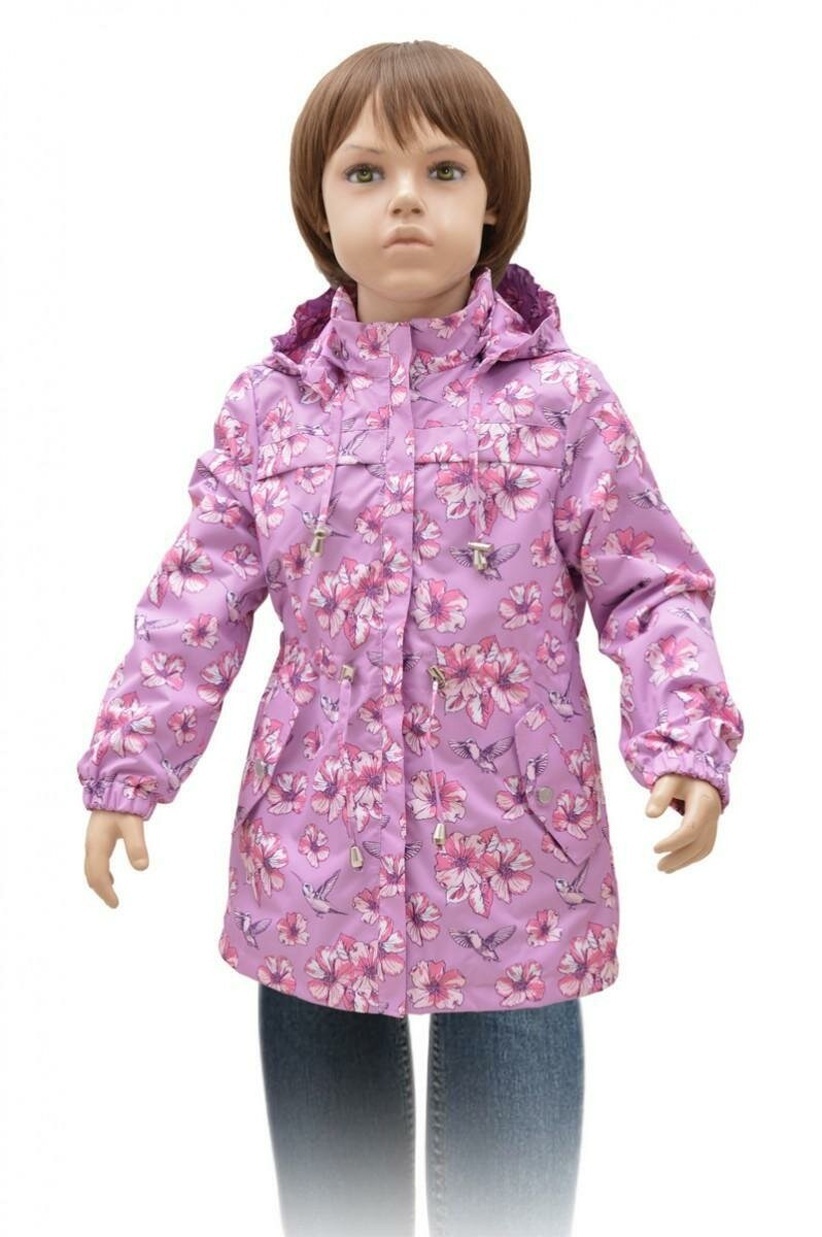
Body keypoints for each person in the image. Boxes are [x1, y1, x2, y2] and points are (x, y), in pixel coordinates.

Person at [78, 40, 744, 1237]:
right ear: (319, 207)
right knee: (338, 1210)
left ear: (493, 201)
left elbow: (649, 583)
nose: (404, 200)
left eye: (442, 170)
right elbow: (195, 601)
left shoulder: (561, 401)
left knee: (510, 1211)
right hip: (312, 853)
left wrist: (686, 738)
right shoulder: (272, 409)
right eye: (366, 172)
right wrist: (131, 768)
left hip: (519, 855)